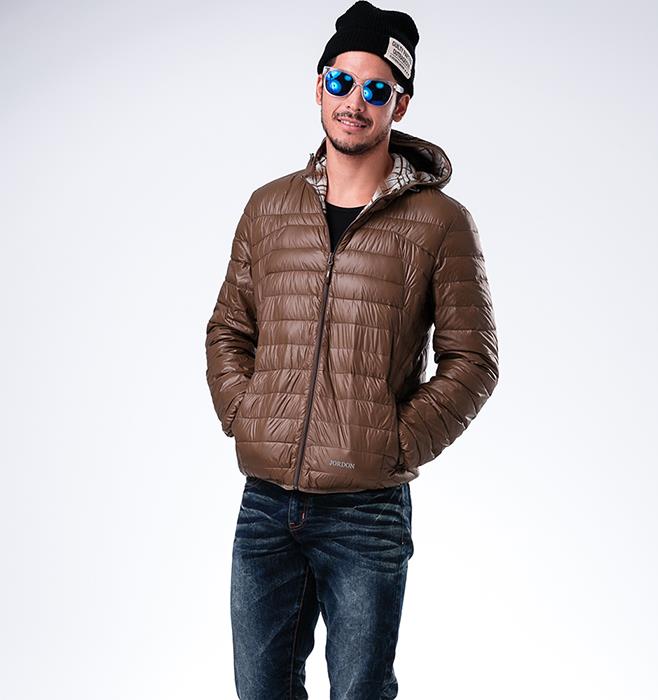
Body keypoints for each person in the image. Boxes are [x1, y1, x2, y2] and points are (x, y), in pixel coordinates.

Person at [204, 2, 499, 697]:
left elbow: (473, 361)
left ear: (400, 103)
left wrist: (393, 442)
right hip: (266, 506)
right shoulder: (268, 208)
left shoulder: (440, 223)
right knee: (260, 690)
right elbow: (228, 330)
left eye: (376, 90)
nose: (354, 103)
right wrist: (248, 417)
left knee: (360, 691)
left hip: (366, 511)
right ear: (319, 85)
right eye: (341, 82)